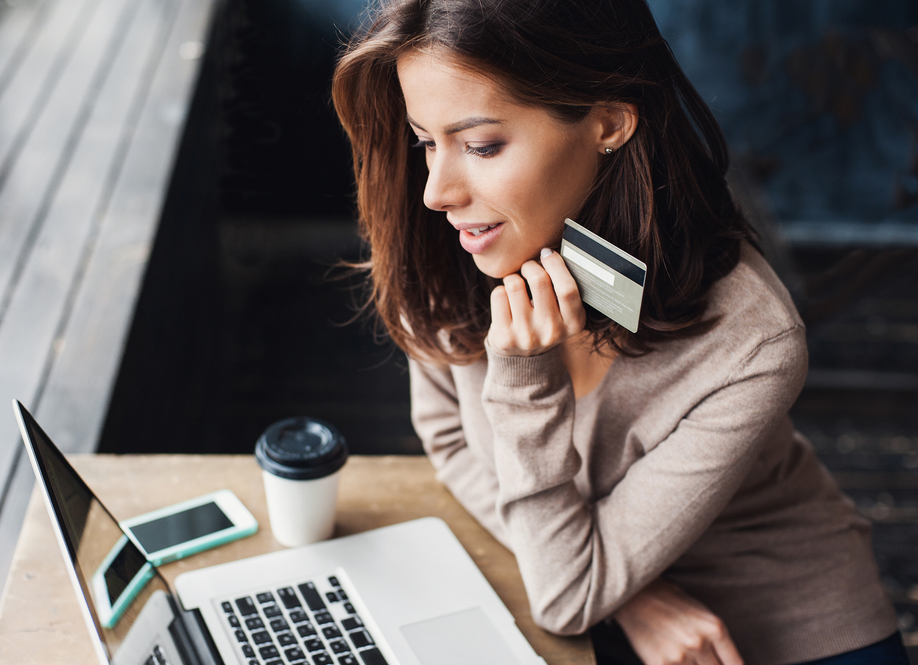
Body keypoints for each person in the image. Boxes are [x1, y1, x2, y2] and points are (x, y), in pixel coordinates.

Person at [330, 1, 906, 663]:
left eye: (482, 144)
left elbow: (566, 594)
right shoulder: (451, 246)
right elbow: (452, 439)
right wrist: (631, 596)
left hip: (776, 625)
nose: (436, 190)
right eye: (426, 141)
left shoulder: (754, 342)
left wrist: (523, 384)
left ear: (607, 121)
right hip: (590, 598)